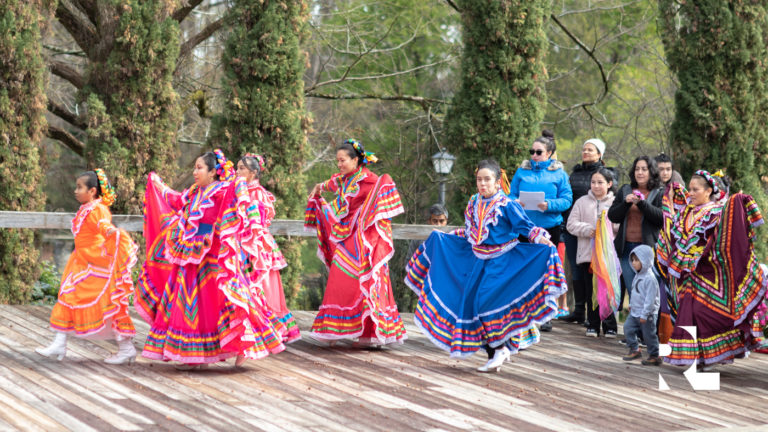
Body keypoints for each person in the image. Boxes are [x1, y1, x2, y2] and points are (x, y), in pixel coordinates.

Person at [405, 159, 566, 373]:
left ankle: (501, 348)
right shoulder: (474, 201)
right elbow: (472, 231)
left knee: (485, 303)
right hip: (478, 260)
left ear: (498, 182)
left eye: (487, 179)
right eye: (479, 179)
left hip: (502, 261)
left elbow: (525, 226)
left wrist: (541, 238)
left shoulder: (507, 204)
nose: (482, 184)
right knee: (472, 305)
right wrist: (448, 236)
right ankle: (495, 353)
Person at [137, 150, 285, 368]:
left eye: (199, 168)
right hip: (190, 254)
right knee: (190, 303)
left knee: (225, 301)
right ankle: (196, 355)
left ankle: (244, 346)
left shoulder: (222, 191)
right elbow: (177, 201)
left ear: (213, 172)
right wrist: (159, 186)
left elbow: (241, 203)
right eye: (195, 167)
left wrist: (243, 195)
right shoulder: (195, 192)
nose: (195, 172)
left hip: (213, 256)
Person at [656, 170, 767, 369]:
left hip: (709, 272)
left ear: (708, 191)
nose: (690, 193)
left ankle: (711, 355)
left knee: (706, 313)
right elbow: (673, 232)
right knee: (688, 313)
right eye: (690, 189)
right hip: (687, 275)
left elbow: (726, 237)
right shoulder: (686, 212)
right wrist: (669, 203)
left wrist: (737, 203)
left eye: (695, 189)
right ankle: (698, 358)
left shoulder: (716, 212)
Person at [305, 139, 406, 346]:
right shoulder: (343, 179)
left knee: (363, 283)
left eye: (343, 160)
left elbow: (382, 195)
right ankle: (334, 331)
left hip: (364, 241)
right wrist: (318, 187)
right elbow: (330, 184)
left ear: (355, 160)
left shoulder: (370, 180)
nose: (339, 164)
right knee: (339, 280)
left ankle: (368, 334)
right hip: (346, 237)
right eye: (338, 161)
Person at [36, 169, 139, 364]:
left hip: (94, 264)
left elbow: (104, 226)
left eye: (80, 187)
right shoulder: (86, 208)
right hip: (81, 262)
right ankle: (59, 343)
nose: (76, 191)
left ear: (92, 191)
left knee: (109, 303)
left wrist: (113, 233)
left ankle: (126, 348)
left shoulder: (97, 209)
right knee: (67, 297)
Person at [509, 130, 573, 332]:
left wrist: (549, 205)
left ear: (549, 154)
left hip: (549, 228)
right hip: (524, 228)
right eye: (532, 152)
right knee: (523, 268)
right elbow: (509, 195)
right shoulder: (521, 171)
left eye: (539, 152)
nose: (534, 155)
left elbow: (567, 199)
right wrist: (516, 202)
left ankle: (546, 314)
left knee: (546, 270)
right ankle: (523, 312)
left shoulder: (559, 174)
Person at [236, 153, 300, 344]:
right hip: (244, 243)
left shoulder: (256, 193)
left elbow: (257, 221)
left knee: (264, 286)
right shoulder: (241, 190)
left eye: (242, 168)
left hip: (257, 245)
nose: (237, 172)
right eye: (237, 168)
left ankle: (269, 329)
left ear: (253, 173)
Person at [561, 138, 617, 326]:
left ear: (600, 154)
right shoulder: (574, 173)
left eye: (590, 150)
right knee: (577, 269)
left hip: (600, 234)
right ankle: (579, 310)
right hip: (575, 224)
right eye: (584, 149)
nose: (585, 152)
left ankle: (599, 315)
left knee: (597, 273)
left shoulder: (607, 173)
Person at [566, 168, 619, 337]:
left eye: (600, 182)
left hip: (608, 256)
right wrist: (587, 229)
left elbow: (620, 225)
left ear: (609, 184)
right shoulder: (582, 202)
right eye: (593, 182)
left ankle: (610, 325)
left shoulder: (615, 202)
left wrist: (606, 227)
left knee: (608, 290)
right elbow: (571, 224)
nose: (596, 186)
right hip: (588, 255)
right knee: (591, 291)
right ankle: (593, 324)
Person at [607, 156, 663, 309]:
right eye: (637, 169)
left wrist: (642, 204)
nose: (640, 172)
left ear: (651, 172)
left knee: (650, 294)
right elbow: (612, 216)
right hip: (627, 249)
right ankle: (636, 324)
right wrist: (626, 203)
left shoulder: (659, 192)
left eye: (644, 169)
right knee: (634, 292)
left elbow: (662, 218)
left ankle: (650, 325)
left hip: (648, 250)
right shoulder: (625, 190)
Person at [621, 245, 661, 365]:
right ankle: (634, 349)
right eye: (632, 260)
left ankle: (654, 355)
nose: (633, 263)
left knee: (649, 335)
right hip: (635, 312)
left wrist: (645, 314)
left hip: (647, 314)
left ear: (646, 260)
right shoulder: (637, 276)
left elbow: (650, 299)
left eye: (637, 260)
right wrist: (631, 304)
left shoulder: (650, 279)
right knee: (627, 328)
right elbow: (635, 292)